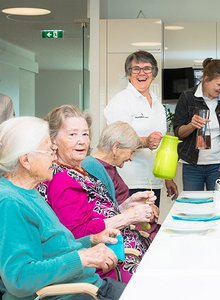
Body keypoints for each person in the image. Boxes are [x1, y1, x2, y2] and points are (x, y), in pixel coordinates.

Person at [0, 116, 126, 299]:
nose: (54, 155)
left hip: (87, 285)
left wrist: (91, 240)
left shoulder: (28, 190)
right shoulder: (10, 203)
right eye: (49, 150)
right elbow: (19, 279)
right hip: (73, 294)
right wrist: (82, 258)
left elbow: (51, 249)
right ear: (26, 160)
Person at [38, 105, 156, 283]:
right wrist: (127, 218)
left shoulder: (76, 169)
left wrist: (127, 205)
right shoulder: (62, 179)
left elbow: (94, 212)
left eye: (85, 134)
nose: (82, 141)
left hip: (127, 251)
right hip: (112, 265)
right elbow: (77, 235)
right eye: (72, 134)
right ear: (53, 140)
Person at [104, 50, 178, 207]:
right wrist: (145, 141)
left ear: (154, 72)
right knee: (132, 229)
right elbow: (117, 140)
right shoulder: (121, 101)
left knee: (149, 228)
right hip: (129, 181)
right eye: (136, 68)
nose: (141, 73)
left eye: (147, 68)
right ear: (129, 73)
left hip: (153, 180)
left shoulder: (157, 104)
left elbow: (160, 142)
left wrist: (167, 177)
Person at [173, 58, 220, 191]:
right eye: (219, 85)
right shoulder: (187, 97)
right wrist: (191, 125)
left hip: (219, 163)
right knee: (194, 205)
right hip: (192, 165)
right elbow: (178, 132)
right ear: (206, 79)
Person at [82, 121, 159, 239]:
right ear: (116, 147)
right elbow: (103, 216)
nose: (131, 158)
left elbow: (116, 207)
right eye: (131, 152)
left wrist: (139, 205)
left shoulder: (107, 166)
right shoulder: (92, 169)